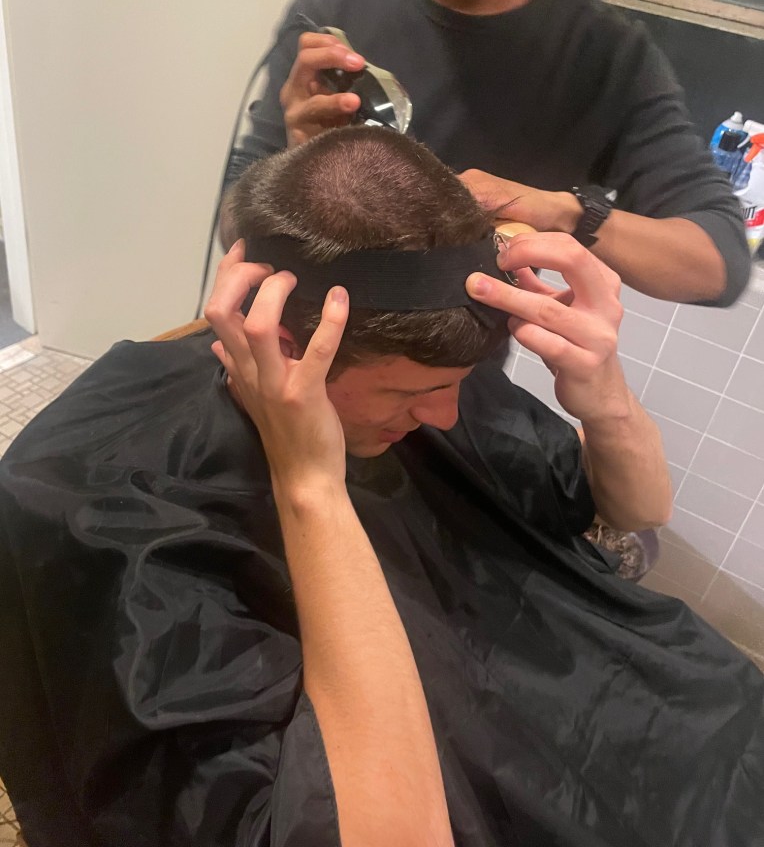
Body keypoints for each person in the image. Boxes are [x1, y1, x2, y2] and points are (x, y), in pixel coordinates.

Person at [0, 127, 762, 847]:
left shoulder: (426, 365)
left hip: (623, 711)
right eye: (409, 395)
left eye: (458, 383)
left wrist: (605, 397)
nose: (446, 415)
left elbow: (638, 513)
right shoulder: (102, 498)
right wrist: (312, 486)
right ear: (289, 347)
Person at [220, 0, 750, 308]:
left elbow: (718, 262)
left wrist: (567, 214)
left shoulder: (607, 60)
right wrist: (294, 169)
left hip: (449, 376)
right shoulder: (335, 12)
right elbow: (232, 224)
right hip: (285, 348)